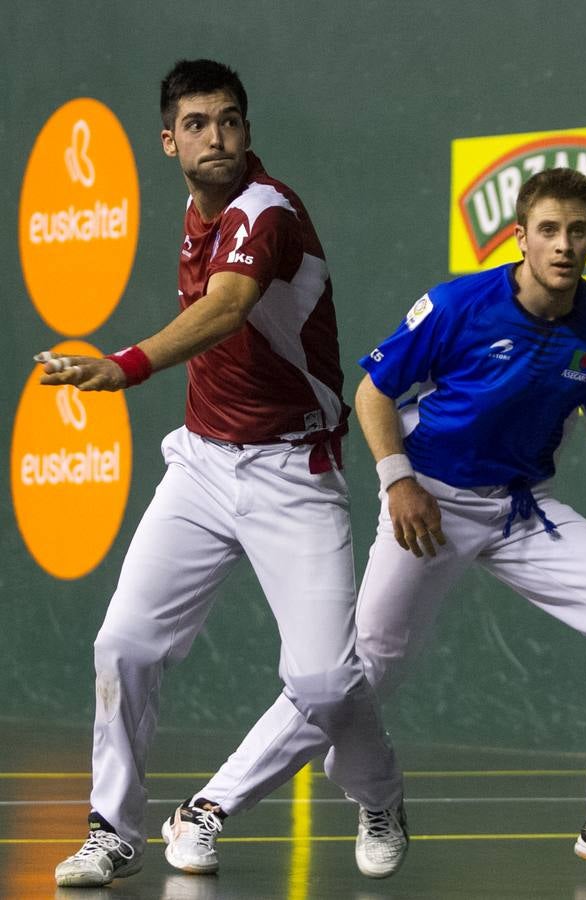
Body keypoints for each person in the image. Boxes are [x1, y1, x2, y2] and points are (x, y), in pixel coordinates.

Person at [44, 59, 407, 889]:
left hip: (294, 471)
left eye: (231, 120)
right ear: (168, 140)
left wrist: (126, 366)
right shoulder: (194, 208)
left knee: (322, 678)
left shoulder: (264, 210)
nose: (219, 137)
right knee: (124, 644)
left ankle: (379, 795)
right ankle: (111, 830)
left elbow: (229, 304)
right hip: (203, 464)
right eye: (199, 124)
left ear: (249, 130)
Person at [348, 167, 586, 881]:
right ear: (520, 238)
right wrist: (398, 481)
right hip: (430, 502)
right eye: (549, 230)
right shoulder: (457, 304)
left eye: (577, 232)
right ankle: (257, 801)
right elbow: (374, 392)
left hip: (520, 511)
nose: (564, 245)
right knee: (357, 672)